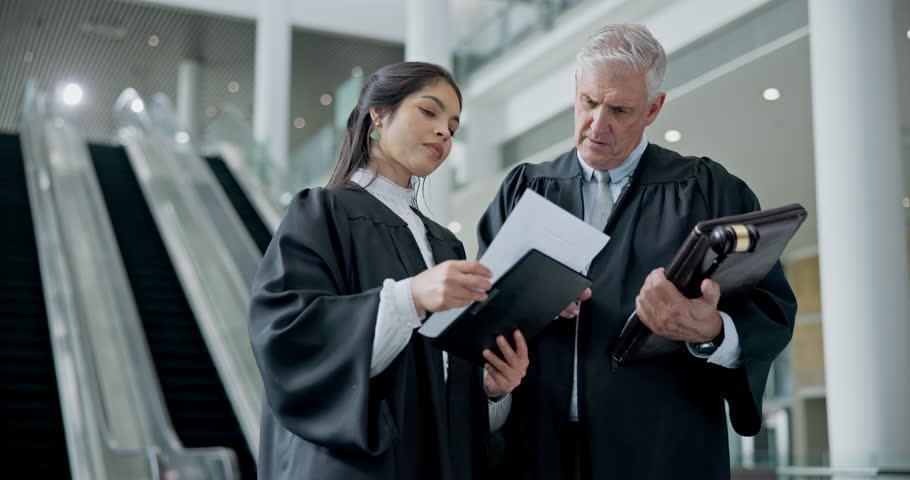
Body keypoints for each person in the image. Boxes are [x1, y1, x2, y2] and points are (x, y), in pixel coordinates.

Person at [477, 25, 797, 479]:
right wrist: (524, 306)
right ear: (575, 89)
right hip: (535, 448)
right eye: (588, 102)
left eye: (620, 110)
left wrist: (712, 329)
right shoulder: (525, 190)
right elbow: (479, 313)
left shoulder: (709, 191)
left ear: (653, 108)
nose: (597, 124)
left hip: (662, 451)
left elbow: (771, 311)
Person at [249, 61, 529, 480]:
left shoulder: (442, 243)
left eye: (453, 127)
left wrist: (490, 391)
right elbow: (289, 341)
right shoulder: (322, 213)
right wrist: (409, 297)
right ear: (378, 115)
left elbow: (442, 385)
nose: (443, 133)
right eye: (429, 112)